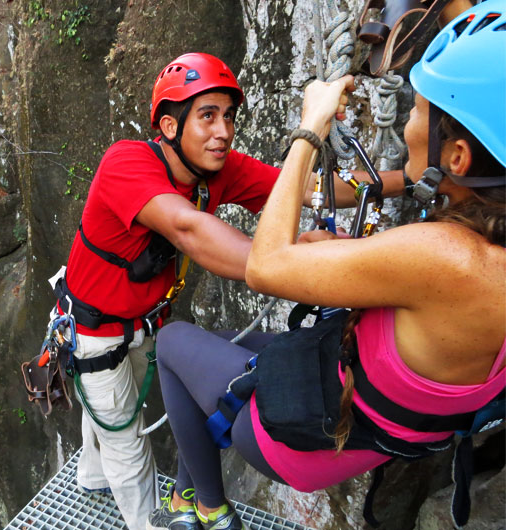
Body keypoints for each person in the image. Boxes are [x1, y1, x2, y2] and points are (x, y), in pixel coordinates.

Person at [147, 1, 505, 529]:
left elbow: (265, 267)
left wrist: (310, 129)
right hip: (377, 425)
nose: (407, 120)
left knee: (173, 343)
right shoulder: (480, 254)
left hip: (304, 442)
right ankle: (191, 491)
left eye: (419, 110)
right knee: (232, 347)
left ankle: (210, 510)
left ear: (456, 159)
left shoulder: (447, 256)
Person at [48, 52, 404, 530]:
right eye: (207, 116)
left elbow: (304, 188)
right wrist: (293, 259)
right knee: (127, 438)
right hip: (95, 329)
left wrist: (405, 182)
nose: (223, 130)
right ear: (170, 127)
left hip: (140, 320)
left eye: (229, 117)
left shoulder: (218, 170)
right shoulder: (126, 164)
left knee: (115, 410)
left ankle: (92, 478)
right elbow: (188, 228)